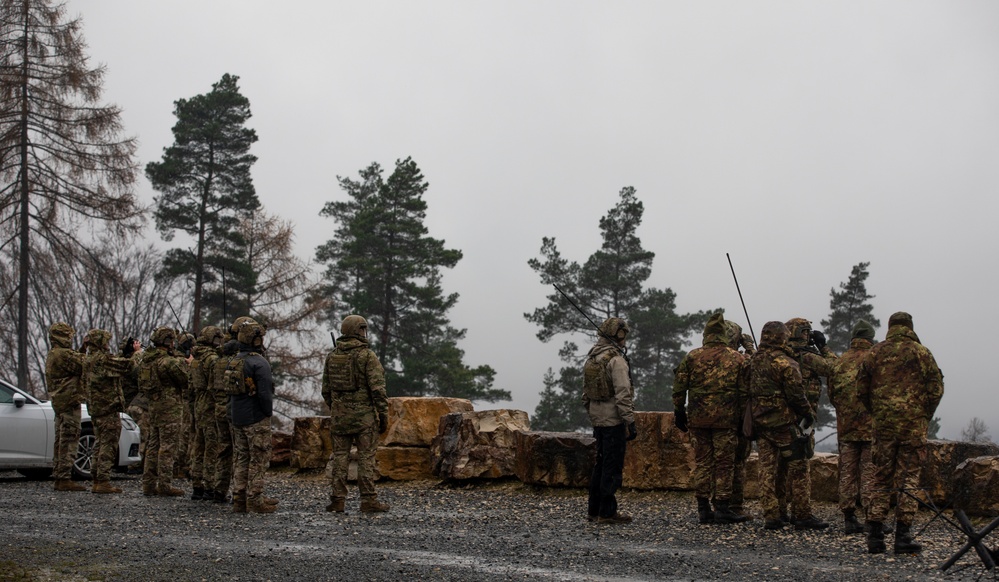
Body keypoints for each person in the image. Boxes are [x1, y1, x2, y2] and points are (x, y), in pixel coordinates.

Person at [858, 311, 944, 555]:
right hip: (912, 427)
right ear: (910, 327)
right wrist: (923, 414)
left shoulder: (875, 353)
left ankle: (874, 535)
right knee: (908, 478)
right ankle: (902, 536)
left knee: (880, 476)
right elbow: (936, 388)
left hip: (883, 426)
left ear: (890, 327)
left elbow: (860, 389)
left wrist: (876, 412)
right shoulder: (922, 353)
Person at [745, 321, 827, 531]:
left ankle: (772, 515)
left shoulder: (754, 361)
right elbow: (796, 395)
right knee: (799, 467)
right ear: (783, 337)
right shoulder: (784, 363)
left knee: (767, 469)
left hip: (761, 423)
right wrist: (807, 414)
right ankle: (801, 514)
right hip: (785, 425)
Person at [672, 312, 748, 524]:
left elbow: (679, 387)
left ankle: (703, 508)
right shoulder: (736, 358)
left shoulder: (692, 356)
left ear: (706, 334)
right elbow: (744, 391)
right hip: (727, 421)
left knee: (703, 462)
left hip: (698, 420)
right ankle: (723, 507)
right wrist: (742, 418)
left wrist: (679, 411)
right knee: (725, 463)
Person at [323, 315, 390, 513]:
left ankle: (337, 500)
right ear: (359, 330)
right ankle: (368, 500)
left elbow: (325, 391)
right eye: (363, 329)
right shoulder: (367, 356)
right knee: (366, 458)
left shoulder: (332, 356)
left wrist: (337, 408)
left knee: (340, 457)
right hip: (364, 419)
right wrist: (383, 415)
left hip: (339, 418)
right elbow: (378, 390)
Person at [583, 317, 637, 525]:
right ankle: (607, 512)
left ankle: (593, 510)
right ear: (619, 335)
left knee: (600, 464)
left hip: (598, 420)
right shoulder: (616, 360)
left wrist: (594, 414)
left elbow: (585, 394)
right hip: (613, 421)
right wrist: (629, 421)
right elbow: (623, 393)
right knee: (612, 467)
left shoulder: (593, 358)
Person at [827, 320, 878, 535]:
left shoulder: (840, 362)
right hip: (870, 427)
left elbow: (832, 393)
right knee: (869, 471)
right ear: (870, 338)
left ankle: (849, 518)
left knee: (847, 472)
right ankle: (871, 517)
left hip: (846, 426)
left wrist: (845, 412)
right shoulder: (874, 360)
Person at [229, 318, 277, 514]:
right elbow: (265, 393)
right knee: (258, 460)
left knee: (242, 458)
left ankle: (239, 498)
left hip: (237, 417)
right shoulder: (259, 363)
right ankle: (255, 499)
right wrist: (267, 413)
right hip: (256, 418)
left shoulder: (234, 361)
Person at [136, 326, 189, 497]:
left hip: (154, 407)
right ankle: (165, 485)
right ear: (168, 341)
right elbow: (185, 379)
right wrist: (187, 362)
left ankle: (148, 484)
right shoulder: (168, 362)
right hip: (170, 408)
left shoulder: (147, 360)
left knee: (153, 446)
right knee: (167, 447)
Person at [82, 329, 130, 494]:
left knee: (99, 443)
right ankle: (103, 480)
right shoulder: (102, 360)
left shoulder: (89, 359)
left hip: (96, 409)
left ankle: (97, 478)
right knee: (108, 445)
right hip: (107, 408)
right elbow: (125, 367)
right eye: (105, 342)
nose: (107, 344)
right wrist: (136, 354)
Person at [45, 322, 88, 492]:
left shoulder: (54, 354)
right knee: (69, 439)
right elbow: (84, 364)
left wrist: (83, 348)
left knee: (61, 440)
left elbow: (76, 361)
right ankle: (64, 477)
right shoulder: (62, 354)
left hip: (61, 402)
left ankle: (59, 475)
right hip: (69, 401)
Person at [724, 319, 755, 521]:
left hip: (714, 419)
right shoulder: (740, 359)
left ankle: (715, 503)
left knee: (715, 463)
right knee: (737, 463)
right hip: (739, 419)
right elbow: (759, 368)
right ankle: (735, 505)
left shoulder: (702, 357)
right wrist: (750, 347)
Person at [188, 326, 223, 501]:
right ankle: (210, 486)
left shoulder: (195, 359)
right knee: (212, 447)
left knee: (198, 446)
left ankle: (197, 485)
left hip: (198, 405)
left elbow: (190, 386)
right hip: (210, 406)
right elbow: (217, 386)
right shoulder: (212, 359)